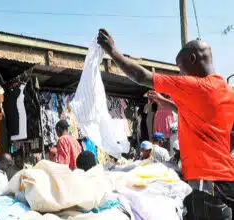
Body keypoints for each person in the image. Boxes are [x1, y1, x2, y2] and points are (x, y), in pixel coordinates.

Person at [98, 29, 234, 219]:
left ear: (193, 58)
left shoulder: (195, 86)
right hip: (227, 179)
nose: (180, 73)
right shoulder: (228, 92)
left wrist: (112, 51)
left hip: (206, 182)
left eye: (180, 67)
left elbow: (141, 76)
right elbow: (208, 122)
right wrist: (167, 103)